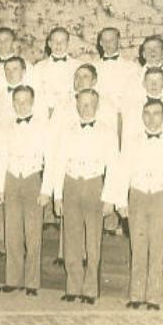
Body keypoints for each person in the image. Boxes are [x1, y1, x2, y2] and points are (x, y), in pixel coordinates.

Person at [47, 89, 117, 304]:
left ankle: (90, 290)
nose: (86, 107)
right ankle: (73, 287)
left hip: (94, 184)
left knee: (93, 240)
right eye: (82, 103)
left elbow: (114, 166)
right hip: (71, 184)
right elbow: (58, 163)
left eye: (90, 104)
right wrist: (57, 196)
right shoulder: (67, 131)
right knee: (72, 238)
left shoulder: (107, 131)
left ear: (97, 105)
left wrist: (110, 198)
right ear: (77, 105)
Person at [105, 99, 163, 311]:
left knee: (158, 248)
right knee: (137, 246)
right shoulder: (132, 141)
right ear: (142, 116)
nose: (152, 118)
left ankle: (153, 297)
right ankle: (136, 295)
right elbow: (121, 171)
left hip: (162, 195)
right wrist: (121, 201)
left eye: (156, 114)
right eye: (147, 113)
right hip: (137, 195)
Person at [0, 85, 51, 296]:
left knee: (33, 234)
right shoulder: (5, 126)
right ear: (12, 103)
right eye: (17, 101)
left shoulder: (43, 125)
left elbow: (51, 159)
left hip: (33, 179)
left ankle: (32, 282)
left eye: (25, 101)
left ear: (32, 102)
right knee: (12, 232)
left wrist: (46, 189)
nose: (21, 105)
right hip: (11, 178)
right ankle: (13, 279)